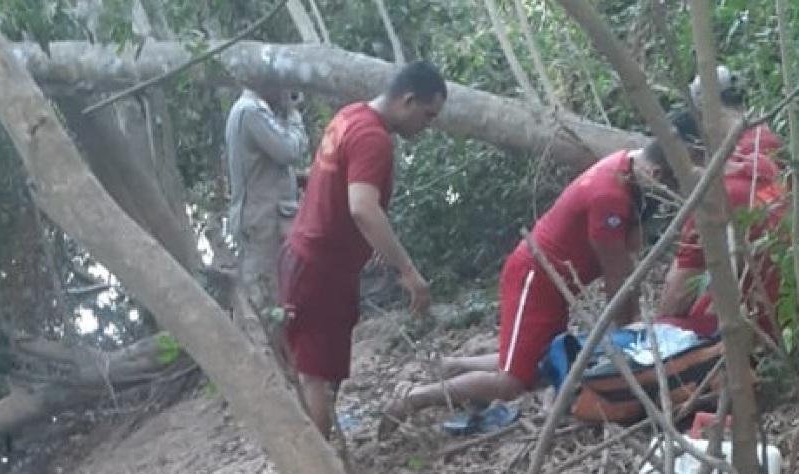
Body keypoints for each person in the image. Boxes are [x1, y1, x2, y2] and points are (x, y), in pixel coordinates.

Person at [379, 132, 678, 436]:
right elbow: (617, 275)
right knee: (512, 383)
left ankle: (454, 367)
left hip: (553, 280)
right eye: (671, 188)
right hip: (535, 280)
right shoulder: (610, 196)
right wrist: (628, 334)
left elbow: (628, 257)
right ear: (656, 174)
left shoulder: (629, 168)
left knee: (541, 364)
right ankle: (415, 397)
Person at [281, 61, 447, 437]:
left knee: (324, 370)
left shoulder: (350, 116)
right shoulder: (373, 137)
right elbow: (363, 208)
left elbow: (336, 185)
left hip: (317, 262)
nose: (428, 124)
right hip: (318, 267)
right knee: (317, 377)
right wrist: (408, 270)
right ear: (407, 100)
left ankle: (325, 453)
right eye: (428, 114)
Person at [660, 69, 788, 339]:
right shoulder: (765, 145)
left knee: (666, 328)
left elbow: (677, 292)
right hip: (789, 307)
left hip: (752, 322)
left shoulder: (719, 195)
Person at [225, 84, 309, 317]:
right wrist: (293, 113)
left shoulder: (251, 110)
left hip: (261, 217)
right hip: (263, 222)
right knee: (267, 302)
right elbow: (289, 151)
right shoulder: (252, 112)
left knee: (277, 295)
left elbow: (261, 168)